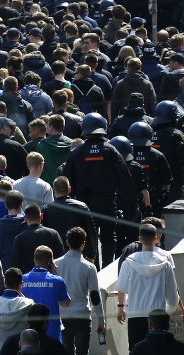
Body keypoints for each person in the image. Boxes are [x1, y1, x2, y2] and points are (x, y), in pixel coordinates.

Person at [63, 112, 137, 265]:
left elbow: (69, 179)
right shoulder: (111, 151)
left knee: (90, 238)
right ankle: (107, 267)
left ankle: (93, 267)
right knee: (109, 238)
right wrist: (127, 205)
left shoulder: (76, 153)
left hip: (84, 203)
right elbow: (124, 178)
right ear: (103, 128)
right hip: (107, 202)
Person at [117, 224, 183, 349]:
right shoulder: (165, 265)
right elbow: (173, 296)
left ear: (140, 239)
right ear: (156, 239)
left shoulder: (128, 263)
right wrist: (168, 311)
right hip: (158, 315)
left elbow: (122, 288)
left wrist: (121, 307)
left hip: (135, 314)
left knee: (136, 349)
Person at [54, 227, 105, 355]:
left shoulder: (56, 264)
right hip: (82, 316)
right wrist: (101, 321)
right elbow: (95, 296)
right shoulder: (89, 267)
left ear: (67, 242)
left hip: (62, 316)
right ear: (83, 244)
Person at [21, 246, 70, 340]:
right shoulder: (57, 281)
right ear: (50, 261)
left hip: (28, 335)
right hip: (52, 335)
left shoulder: (22, 280)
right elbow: (66, 304)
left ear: (34, 259)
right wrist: (55, 275)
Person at [10, 205, 64, 273]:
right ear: (41, 216)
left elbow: (16, 266)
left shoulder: (19, 238)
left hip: (29, 280)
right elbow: (61, 257)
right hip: (50, 278)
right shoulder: (53, 234)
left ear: (25, 219)